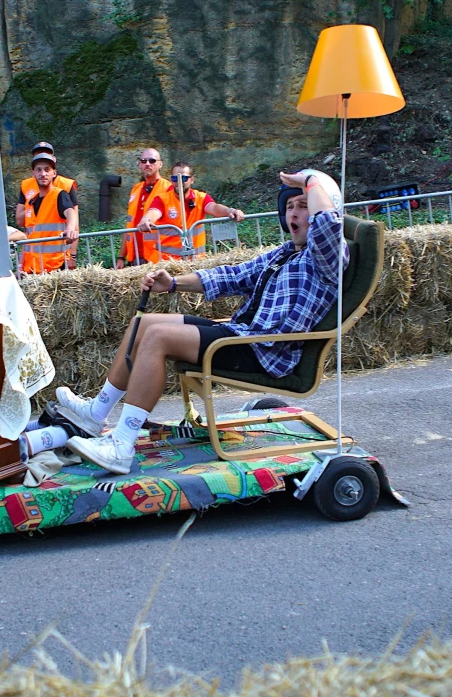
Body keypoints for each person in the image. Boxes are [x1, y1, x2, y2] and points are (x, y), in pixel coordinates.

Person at [54, 170, 347, 475]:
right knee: (144, 325)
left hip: (265, 351)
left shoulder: (327, 258)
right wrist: (172, 284)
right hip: (241, 335)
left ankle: (121, 444)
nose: (295, 214)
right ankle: (95, 413)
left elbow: (327, 225)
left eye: (304, 206)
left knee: (159, 338)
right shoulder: (285, 253)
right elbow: (233, 275)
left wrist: (311, 179)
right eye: (290, 207)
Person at [142, 162, 246, 259]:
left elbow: (214, 208)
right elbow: (153, 212)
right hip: (167, 262)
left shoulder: (200, 197)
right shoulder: (162, 199)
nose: (179, 181)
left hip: (196, 260)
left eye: (184, 178)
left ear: (192, 180)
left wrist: (230, 211)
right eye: (175, 178)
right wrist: (146, 220)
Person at [16, 149, 80, 274]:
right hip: (32, 268)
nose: (43, 174)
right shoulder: (31, 202)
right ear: (33, 173)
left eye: (47, 170)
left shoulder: (59, 194)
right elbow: (29, 235)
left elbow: (70, 212)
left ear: (54, 173)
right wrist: (20, 266)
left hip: (55, 267)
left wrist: (70, 228)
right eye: (39, 170)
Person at [116, 147, 174, 268]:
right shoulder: (136, 189)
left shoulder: (168, 188)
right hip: (134, 258)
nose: (147, 164)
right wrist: (121, 257)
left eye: (152, 161)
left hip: (157, 259)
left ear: (160, 164)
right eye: (144, 161)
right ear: (140, 165)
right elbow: (129, 225)